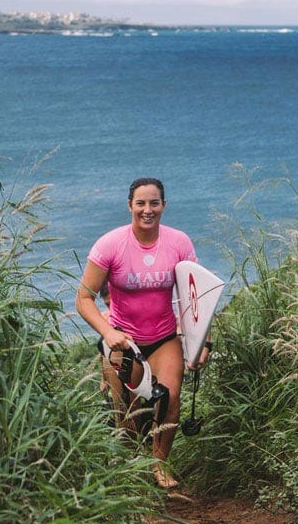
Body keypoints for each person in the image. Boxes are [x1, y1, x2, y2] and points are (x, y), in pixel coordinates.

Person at [75, 177, 211, 489]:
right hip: (124, 339)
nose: (147, 210)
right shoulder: (110, 244)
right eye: (141, 203)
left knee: (169, 398)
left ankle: (159, 465)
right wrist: (108, 332)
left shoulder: (178, 243)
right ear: (130, 206)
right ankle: (129, 471)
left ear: (163, 205)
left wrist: (198, 341)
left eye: (154, 203)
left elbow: (196, 299)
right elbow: (83, 299)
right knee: (129, 414)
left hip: (164, 337)